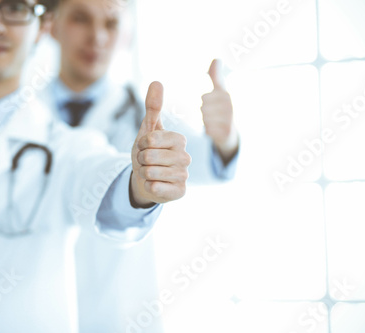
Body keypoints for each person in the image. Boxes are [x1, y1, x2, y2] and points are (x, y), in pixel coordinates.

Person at [0, 0, 191, 332]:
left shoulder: (66, 149)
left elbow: (101, 184)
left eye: (15, 8)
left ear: (42, 26)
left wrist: (138, 186)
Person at [41, 0, 240, 332]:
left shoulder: (144, 114)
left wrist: (225, 140)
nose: (97, 37)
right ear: (51, 25)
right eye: (80, 19)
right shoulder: (23, 117)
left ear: (126, 36)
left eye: (111, 24)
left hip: (120, 313)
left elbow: (205, 163)